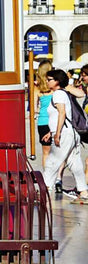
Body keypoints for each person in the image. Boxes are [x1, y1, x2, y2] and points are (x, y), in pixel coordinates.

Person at [42, 69, 88, 203]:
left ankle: (43, 190)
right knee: (75, 163)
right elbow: (60, 116)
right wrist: (50, 132)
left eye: (49, 79)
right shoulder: (64, 94)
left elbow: (62, 113)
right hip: (71, 133)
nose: (47, 81)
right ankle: (83, 191)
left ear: (57, 81)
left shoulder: (58, 94)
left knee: (52, 161)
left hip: (64, 134)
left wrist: (57, 134)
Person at [33, 61, 58, 187]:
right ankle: (58, 178)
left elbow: (33, 108)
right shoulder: (55, 88)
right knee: (57, 151)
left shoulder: (37, 89)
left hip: (42, 122)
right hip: (55, 121)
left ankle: (48, 180)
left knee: (46, 153)